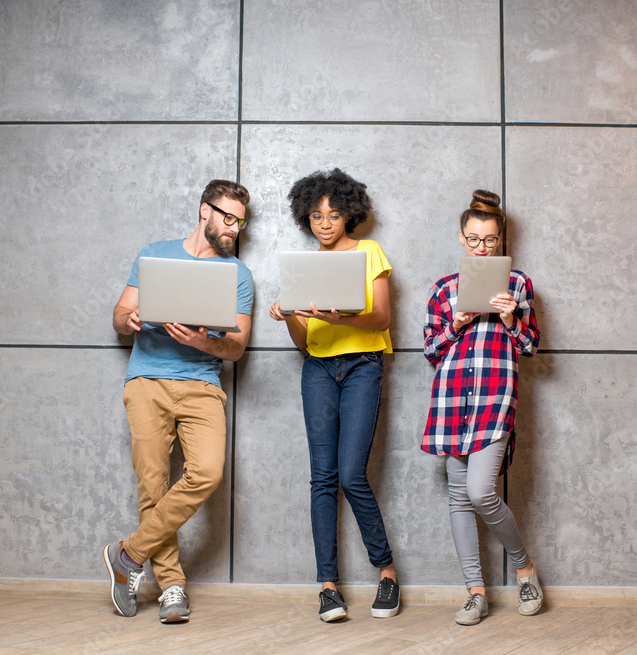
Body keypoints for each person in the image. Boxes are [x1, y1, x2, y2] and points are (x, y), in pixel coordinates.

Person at [103, 180, 253, 624]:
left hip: (201, 385)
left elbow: (238, 346)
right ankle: (171, 587)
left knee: (207, 472)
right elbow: (118, 316)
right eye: (227, 217)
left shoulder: (238, 275)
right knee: (152, 486)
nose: (234, 227)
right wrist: (130, 319)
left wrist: (204, 342)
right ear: (203, 211)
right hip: (147, 380)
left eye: (241, 222)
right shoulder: (155, 253)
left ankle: (126, 555)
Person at [269, 168, 400, 622]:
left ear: (349, 215)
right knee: (321, 478)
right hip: (318, 370)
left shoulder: (369, 252)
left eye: (334, 213)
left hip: (363, 367)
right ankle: (328, 587)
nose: (324, 222)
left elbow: (381, 317)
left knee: (351, 476)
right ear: (306, 218)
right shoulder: (304, 267)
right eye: (316, 215)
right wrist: (288, 313)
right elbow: (305, 342)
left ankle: (386, 573)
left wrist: (339, 317)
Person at [422, 189, 544, 624]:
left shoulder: (518, 284)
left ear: (500, 240)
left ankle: (525, 568)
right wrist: (455, 322)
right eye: (474, 239)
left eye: (489, 240)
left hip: (496, 401)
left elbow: (530, 347)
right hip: (452, 401)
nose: (481, 247)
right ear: (461, 238)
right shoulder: (443, 288)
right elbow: (432, 350)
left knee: (480, 492)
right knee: (459, 498)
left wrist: (511, 319)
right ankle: (475, 592)